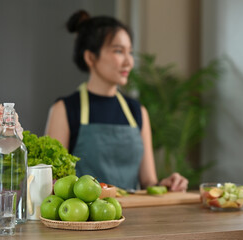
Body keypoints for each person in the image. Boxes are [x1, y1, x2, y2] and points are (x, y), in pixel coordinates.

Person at [45, 10, 188, 191]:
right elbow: (51, 183)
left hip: (133, 216)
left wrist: (166, 185)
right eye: (118, 51)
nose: (129, 62)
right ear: (90, 57)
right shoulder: (64, 109)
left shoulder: (137, 111)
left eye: (130, 52)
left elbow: (149, 182)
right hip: (83, 217)